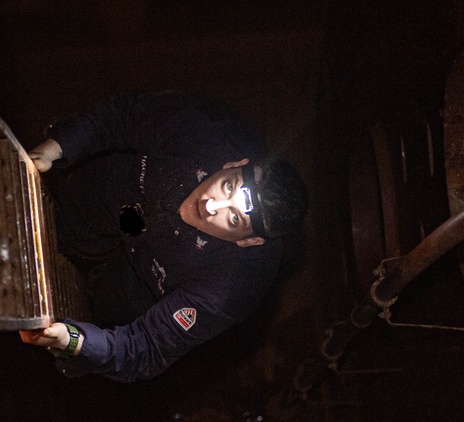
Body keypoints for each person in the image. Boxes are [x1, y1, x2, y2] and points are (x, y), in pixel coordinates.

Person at [20, 90, 308, 382]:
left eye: (234, 219)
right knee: (65, 211)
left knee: (102, 311)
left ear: (247, 241)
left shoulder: (231, 287)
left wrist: (73, 342)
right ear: (232, 166)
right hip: (107, 195)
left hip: (136, 286)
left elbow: (147, 348)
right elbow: (123, 115)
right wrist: (58, 147)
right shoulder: (207, 130)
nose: (210, 205)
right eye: (229, 188)